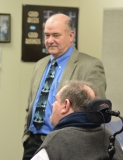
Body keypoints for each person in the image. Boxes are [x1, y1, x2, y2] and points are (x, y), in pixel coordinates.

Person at [22, 13, 107, 160]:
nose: (50, 40)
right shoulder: (40, 65)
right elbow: (30, 105)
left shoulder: (90, 66)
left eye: (56, 35)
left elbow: (97, 113)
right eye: (47, 35)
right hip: (33, 144)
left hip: (67, 145)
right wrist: (26, 137)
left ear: (71, 35)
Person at [31, 80, 123, 160]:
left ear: (66, 105)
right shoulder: (110, 137)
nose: (52, 104)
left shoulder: (55, 141)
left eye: (56, 100)